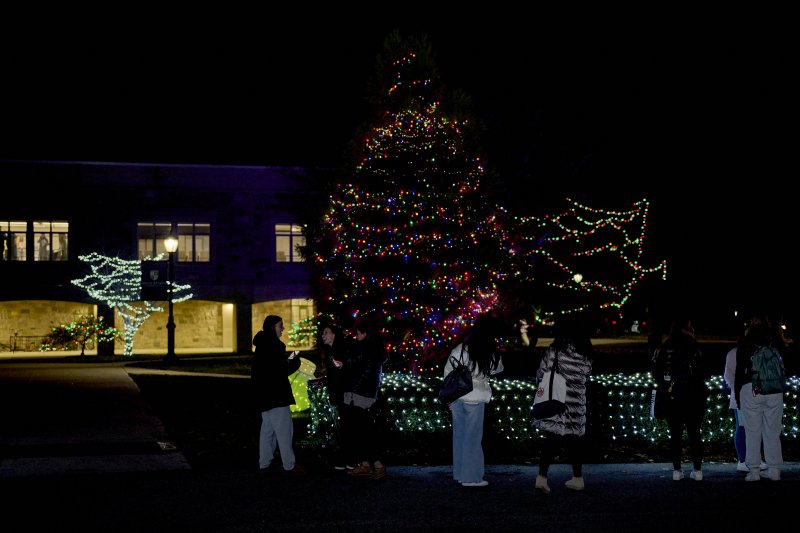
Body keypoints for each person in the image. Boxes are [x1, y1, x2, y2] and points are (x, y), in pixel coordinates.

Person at [533, 314, 593, 494]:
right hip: (576, 403)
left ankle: (542, 478)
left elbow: (541, 372)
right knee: (574, 442)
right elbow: (587, 373)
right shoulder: (585, 352)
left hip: (556, 401)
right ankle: (578, 478)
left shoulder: (555, 350)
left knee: (550, 441)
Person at [444, 313, 504, 487]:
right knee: (472, 438)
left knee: (460, 437)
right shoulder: (488, 350)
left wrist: (448, 397)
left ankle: (460, 474)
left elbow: (448, 371)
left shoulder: (460, 349)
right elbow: (498, 368)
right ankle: (471, 478)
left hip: (457, 396)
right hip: (475, 396)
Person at [651, 316, 708, 481]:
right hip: (694, 395)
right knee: (694, 433)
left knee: (675, 435)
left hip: (672, 396)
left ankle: (677, 470)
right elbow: (705, 370)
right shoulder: (695, 346)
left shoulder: (664, 347)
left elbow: (655, 372)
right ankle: (697, 470)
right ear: (687, 328)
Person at [251, 314, 306, 476]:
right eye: (280, 325)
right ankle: (289, 465)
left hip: (264, 396)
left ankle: (264, 462)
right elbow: (281, 371)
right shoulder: (274, 345)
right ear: (272, 327)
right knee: (284, 431)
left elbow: (269, 369)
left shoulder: (262, 344)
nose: (283, 328)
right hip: (277, 395)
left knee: (267, 430)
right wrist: (295, 362)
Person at [734, 314, 785, 481]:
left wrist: (738, 396)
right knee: (773, 431)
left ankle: (754, 470)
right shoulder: (775, 340)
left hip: (751, 388)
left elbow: (739, 371)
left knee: (752, 431)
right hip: (774, 389)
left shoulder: (745, 342)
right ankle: (774, 469)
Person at [340, 319, 389, 480]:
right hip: (367, 393)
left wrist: (343, 363)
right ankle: (366, 464)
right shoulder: (375, 349)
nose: (356, 337)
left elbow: (354, 365)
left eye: (358, 334)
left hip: (359, 392)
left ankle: (377, 464)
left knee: (362, 430)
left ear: (365, 334)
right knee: (361, 429)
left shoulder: (364, 348)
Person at [723, 324, 766, 473]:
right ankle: (743, 460)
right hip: (742, 396)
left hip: (754, 396)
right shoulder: (735, 353)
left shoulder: (756, 351)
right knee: (743, 427)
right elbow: (729, 376)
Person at [319, 323, 353, 470]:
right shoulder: (328, 351)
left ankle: (350, 459)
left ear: (334, 334)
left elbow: (350, 369)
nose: (323, 335)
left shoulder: (342, 350)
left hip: (347, 393)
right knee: (341, 426)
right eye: (322, 333)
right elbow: (332, 375)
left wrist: (343, 366)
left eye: (326, 332)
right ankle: (345, 458)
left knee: (347, 425)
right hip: (337, 393)